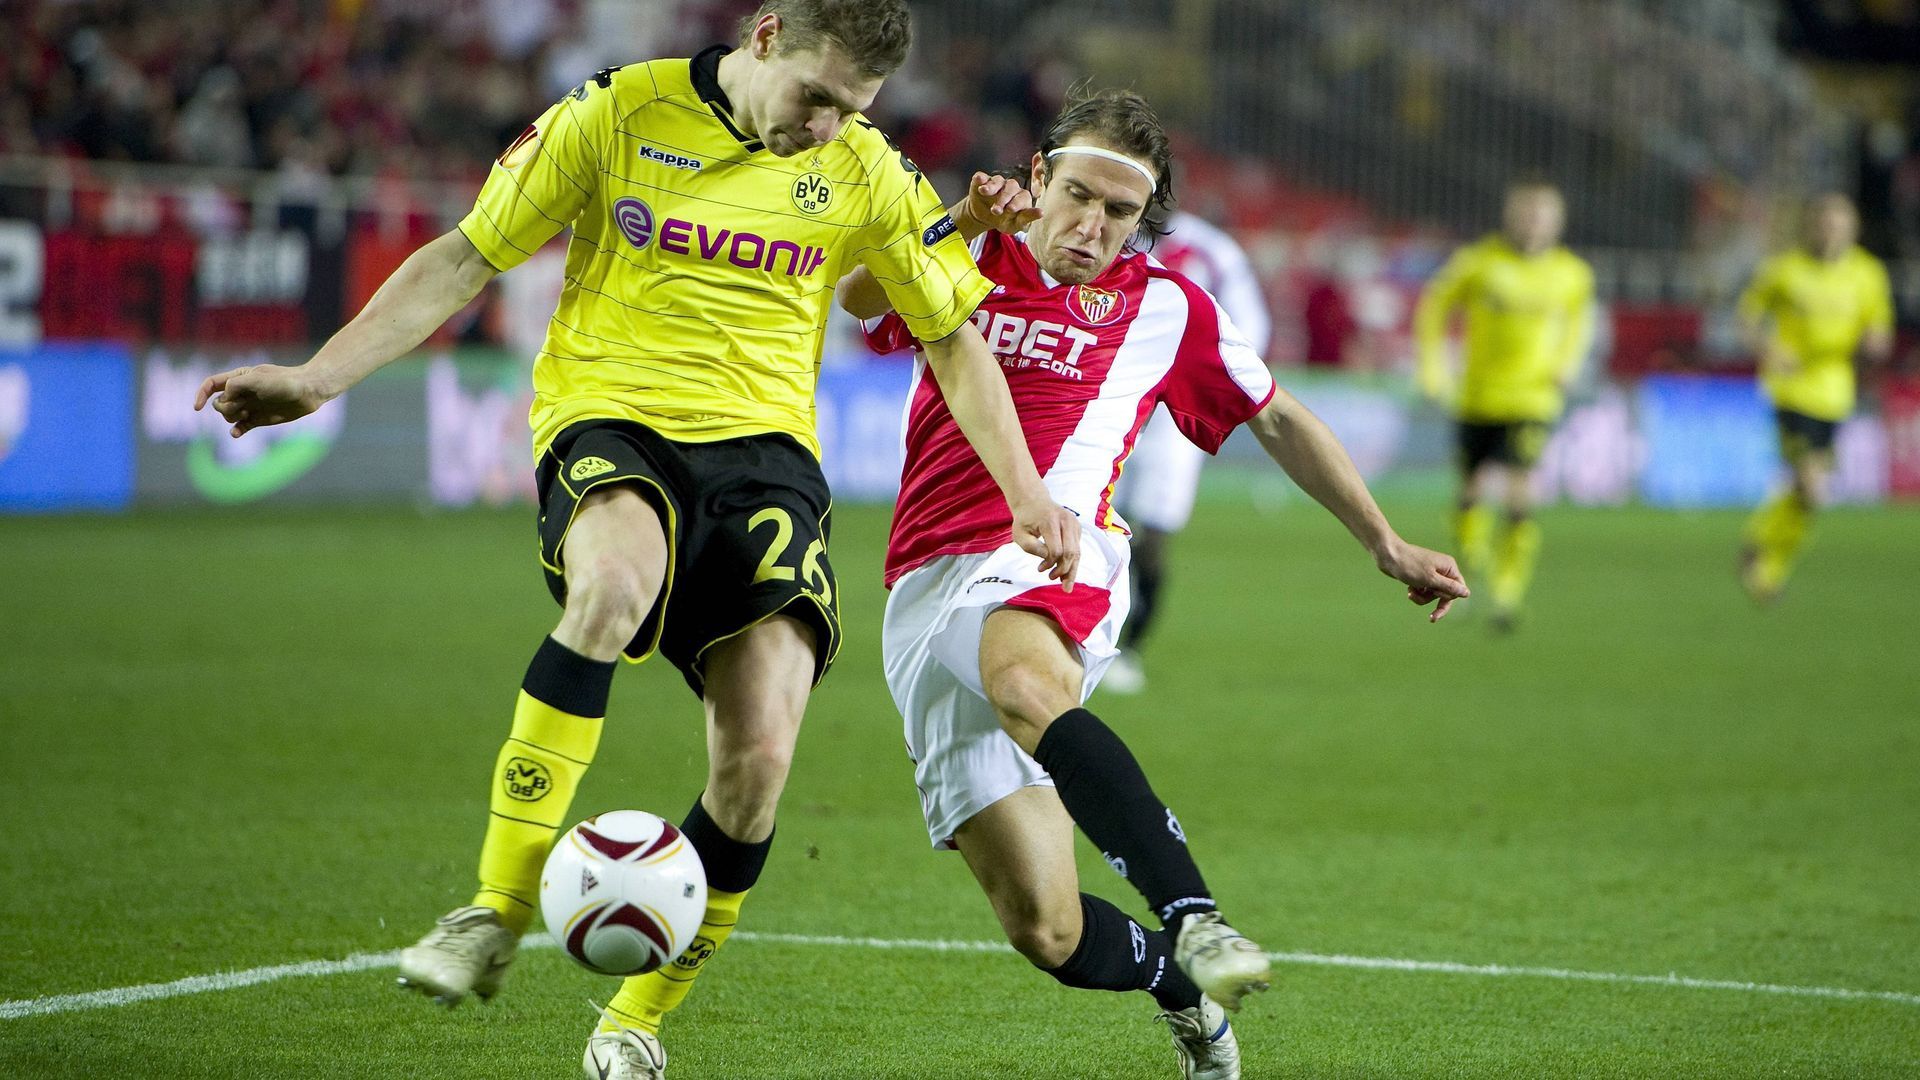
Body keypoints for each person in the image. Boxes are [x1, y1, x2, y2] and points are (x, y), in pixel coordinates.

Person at [194, 4, 1082, 1078]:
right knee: (611, 589)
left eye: (851, 110)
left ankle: (633, 1022)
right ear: (764, 38)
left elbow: (951, 340)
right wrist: (316, 377)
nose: (825, 126)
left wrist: (1027, 493)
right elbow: (468, 255)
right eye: (816, 96)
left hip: (764, 460)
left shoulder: (864, 170)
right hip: (612, 421)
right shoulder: (619, 112)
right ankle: (495, 907)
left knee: (758, 759)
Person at [839, 90, 1469, 1079]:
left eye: (1119, 212)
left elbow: (1277, 418)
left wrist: (1384, 541)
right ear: (1038, 178)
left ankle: (1196, 916)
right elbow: (860, 301)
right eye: (1077, 196)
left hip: (1058, 552)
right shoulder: (966, 256)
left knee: (1020, 680)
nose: (1092, 227)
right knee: (1044, 931)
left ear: (1146, 219)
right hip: (922, 586)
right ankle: (1182, 991)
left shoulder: (1166, 307)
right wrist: (958, 218)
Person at [1104, 207, 1273, 694]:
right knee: (1087, 518)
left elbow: (1252, 327)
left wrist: (1206, 385)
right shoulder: (1105, 233)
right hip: (1110, 398)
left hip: (1172, 416)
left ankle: (1129, 648)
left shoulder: (1210, 249)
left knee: (1152, 534)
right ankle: (1081, 633)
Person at [1414, 181, 1593, 631]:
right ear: (1510, 215)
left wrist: (1568, 363)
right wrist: (1434, 367)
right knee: (1471, 493)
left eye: (1543, 214)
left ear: (1558, 222)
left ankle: (1508, 591)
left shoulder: (1571, 274)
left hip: (1533, 398)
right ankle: (1471, 563)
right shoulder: (1479, 264)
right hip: (1477, 396)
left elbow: (1580, 323)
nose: (1534, 222)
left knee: (1518, 493)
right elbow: (1435, 307)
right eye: (1527, 213)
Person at [1736, 193, 1894, 602]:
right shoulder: (1785, 270)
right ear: (1810, 226)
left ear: (1853, 229)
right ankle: (1764, 558)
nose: (1831, 233)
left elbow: (1879, 327)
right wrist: (1768, 348)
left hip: (1836, 393)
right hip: (1791, 391)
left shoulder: (1867, 274)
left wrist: (1876, 341)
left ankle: (1763, 552)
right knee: (1812, 485)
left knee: (1811, 495)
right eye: (1824, 224)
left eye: (1840, 225)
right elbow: (1746, 316)